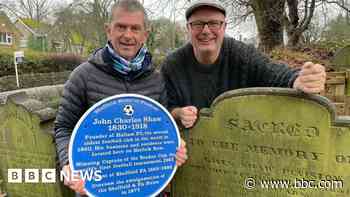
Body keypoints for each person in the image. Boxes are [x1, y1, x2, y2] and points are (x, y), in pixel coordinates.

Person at [54, 0, 187, 196]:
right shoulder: (82, 76)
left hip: (146, 187)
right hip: (98, 188)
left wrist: (176, 146)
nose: (128, 35)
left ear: (145, 35)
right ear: (108, 30)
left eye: (135, 28)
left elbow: (162, 128)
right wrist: (68, 163)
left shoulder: (156, 80)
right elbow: (64, 127)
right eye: (121, 27)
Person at [161, 0, 326, 129]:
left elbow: (272, 71)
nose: (205, 30)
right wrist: (179, 114)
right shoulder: (172, 64)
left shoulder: (241, 54)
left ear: (224, 27)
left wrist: (299, 79)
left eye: (213, 23)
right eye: (197, 24)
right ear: (188, 28)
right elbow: (165, 107)